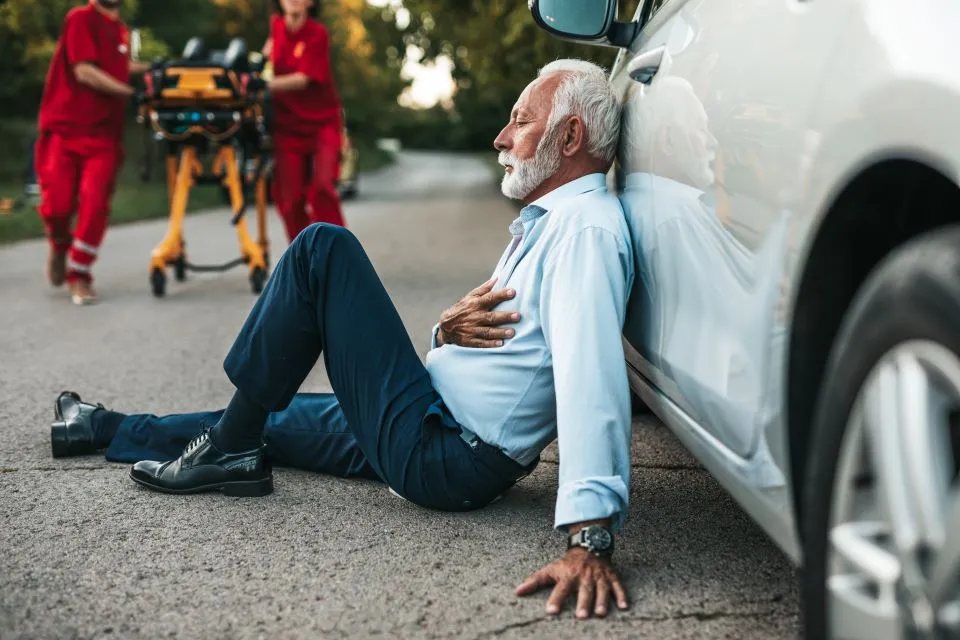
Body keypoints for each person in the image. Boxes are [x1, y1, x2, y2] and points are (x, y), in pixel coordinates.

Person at [49, 59, 633, 619]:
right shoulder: (553, 225)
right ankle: (104, 427)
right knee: (261, 421)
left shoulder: (585, 234)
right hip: (429, 417)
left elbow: (592, 378)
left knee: (322, 249)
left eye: (521, 121)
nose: (501, 138)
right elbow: (510, 354)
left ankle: (230, 451)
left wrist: (590, 535)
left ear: (570, 136)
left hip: (446, 454)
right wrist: (443, 333)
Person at [34, 0, 149, 305]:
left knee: (96, 202)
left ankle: (80, 274)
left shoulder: (121, 31)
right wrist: (130, 93)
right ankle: (59, 243)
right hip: (65, 126)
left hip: (104, 136)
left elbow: (118, 67)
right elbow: (84, 71)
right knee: (57, 205)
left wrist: (155, 70)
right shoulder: (81, 18)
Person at [261, 0, 346, 243]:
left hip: (322, 124)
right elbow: (267, 61)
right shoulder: (276, 27)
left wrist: (263, 86)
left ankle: (336, 251)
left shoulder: (317, 33)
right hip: (287, 126)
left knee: (322, 189)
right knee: (289, 199)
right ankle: (303, 256)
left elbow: (303, 79)